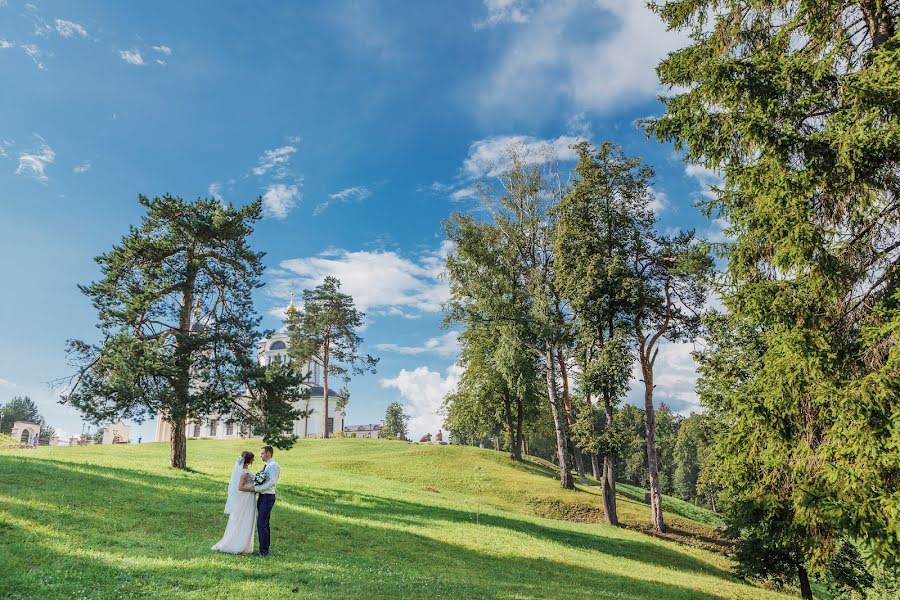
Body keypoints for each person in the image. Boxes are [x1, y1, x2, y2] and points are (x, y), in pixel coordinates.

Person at [211, 451, 258, 554]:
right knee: (245, 519)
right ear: (249, 460)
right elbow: (240, 487)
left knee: (244, 519)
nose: (253, 460)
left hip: (246, 498)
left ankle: (244, 545)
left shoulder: (243, 470)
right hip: (246, 499)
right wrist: (254, 488)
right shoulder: (245, 472)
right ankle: (238, 544)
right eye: (253, 459)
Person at [253, 445, 280, 557]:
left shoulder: (273, 465)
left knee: (261, 524)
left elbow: (271, 482)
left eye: (262, 453)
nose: (261, 455)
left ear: (268, 453)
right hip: (263, 497)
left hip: (268, 497)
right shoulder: (267, 465)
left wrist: (256, 489)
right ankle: (264, 549)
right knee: (264, 523)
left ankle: (263, 552)